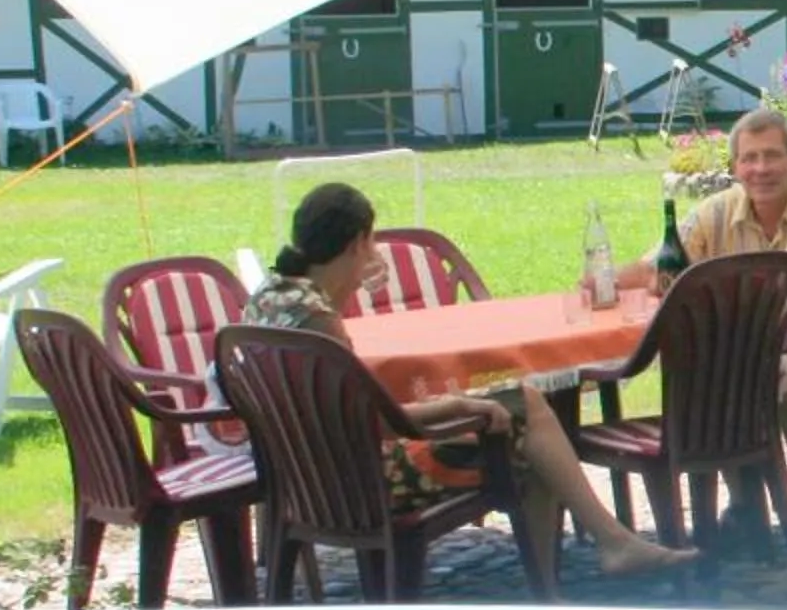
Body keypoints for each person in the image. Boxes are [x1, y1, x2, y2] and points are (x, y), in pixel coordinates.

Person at [247, 183, 692, 582]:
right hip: (367, 483)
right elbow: (376, 422)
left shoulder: (269, 299)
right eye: (371, 243)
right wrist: (459, 407)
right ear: (359, 242)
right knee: (529, 424)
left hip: (302, 479)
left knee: (527, 421)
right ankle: (596, 556)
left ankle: (601, 553)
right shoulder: (319, 321)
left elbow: (347, 410)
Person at [619, 105, 787, 560]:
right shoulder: (717, 210)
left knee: (783, 371)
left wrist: (708, 294)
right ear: (735, 166)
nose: (760, 169)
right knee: (713, 366)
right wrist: (606, 280)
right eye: (749, 158)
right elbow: (659, 264)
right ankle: (747, 506)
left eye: (772, 156)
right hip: (742, 332)